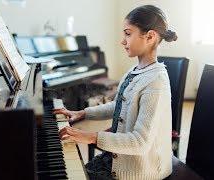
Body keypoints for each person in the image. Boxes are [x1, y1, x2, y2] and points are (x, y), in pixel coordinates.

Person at [55, 5, 177, 180]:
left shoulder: (155, 81)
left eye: (128, 33)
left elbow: (140, 142)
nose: (122, 40)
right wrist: (83, 113)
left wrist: (90, 137)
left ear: (150, 36)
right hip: (118, 158)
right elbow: (119, 105)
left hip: (140, 170)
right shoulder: (134, 71)